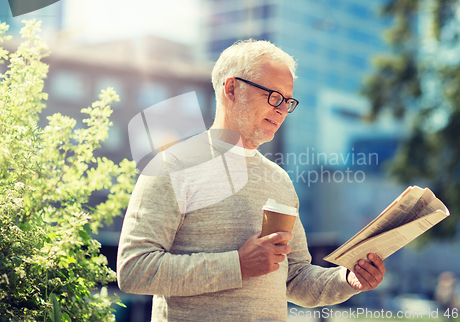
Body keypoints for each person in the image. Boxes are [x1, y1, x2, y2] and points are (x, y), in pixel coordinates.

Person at [117, 40, 385, 322]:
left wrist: (348, 280)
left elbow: (293, 276)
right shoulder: (171, 166)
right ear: (231, 88)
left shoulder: (279, 179)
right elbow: (134, 269)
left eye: (288, 100)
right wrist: (238, 265)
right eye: (273, 96)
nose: (282, 109)